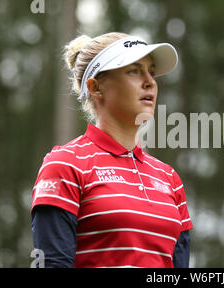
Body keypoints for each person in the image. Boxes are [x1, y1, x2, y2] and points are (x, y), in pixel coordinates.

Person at [31, 32, 192, 268]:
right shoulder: (65, 164)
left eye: (152, 72)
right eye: (134, 71)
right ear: (96, 88)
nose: (150, 82)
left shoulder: (170, 178)